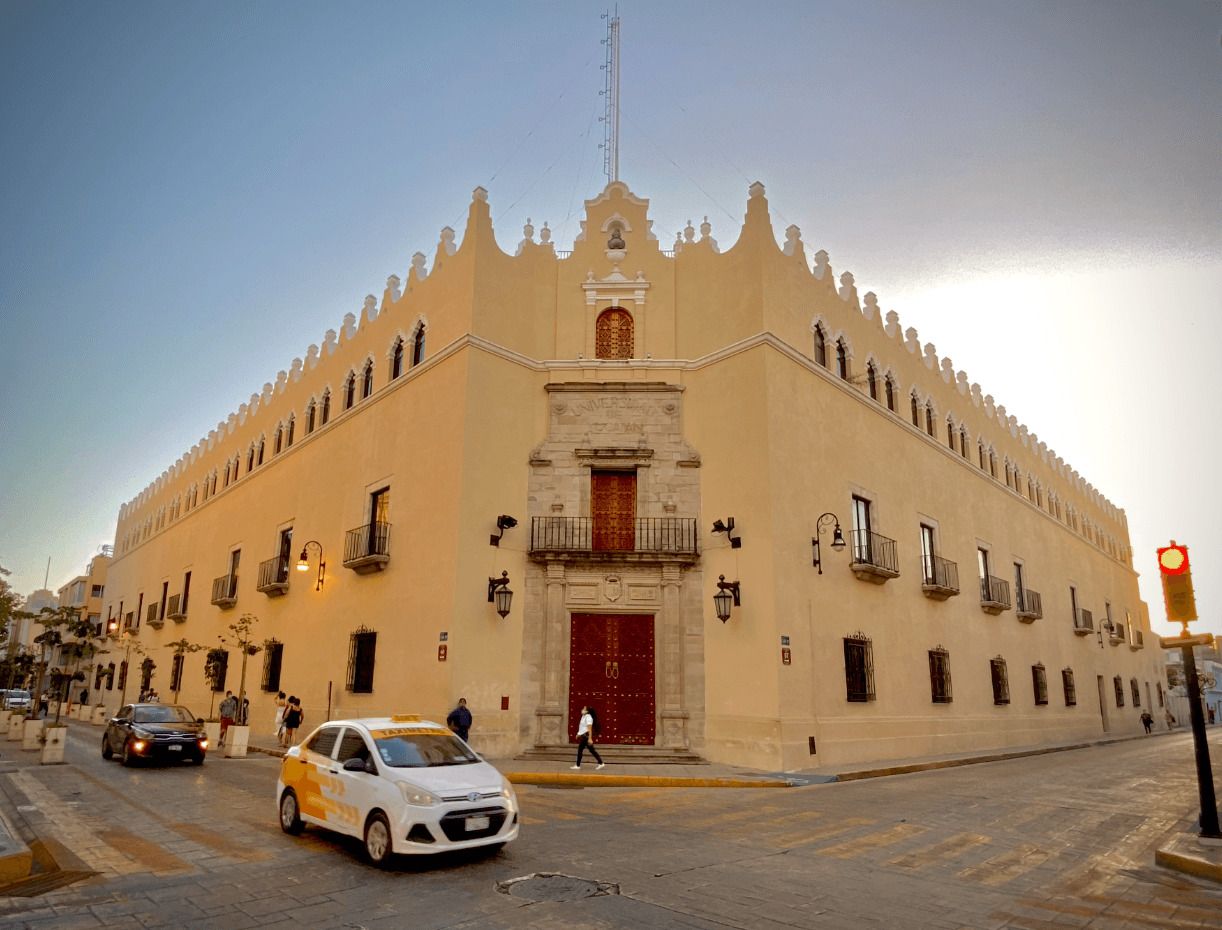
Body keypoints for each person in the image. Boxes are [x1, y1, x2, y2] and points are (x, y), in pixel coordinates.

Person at [571, 705, 605, 770]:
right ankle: (601, 763)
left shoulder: (588, 718)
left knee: (580, 750)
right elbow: (582, 727)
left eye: (584, 709)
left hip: (585, 737)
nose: (582, 710)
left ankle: (578, 765)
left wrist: (590, 738)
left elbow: (589, 728)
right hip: (583, 735)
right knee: (591, 750)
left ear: (587, 711)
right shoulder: (584, 717)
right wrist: (578, 734)